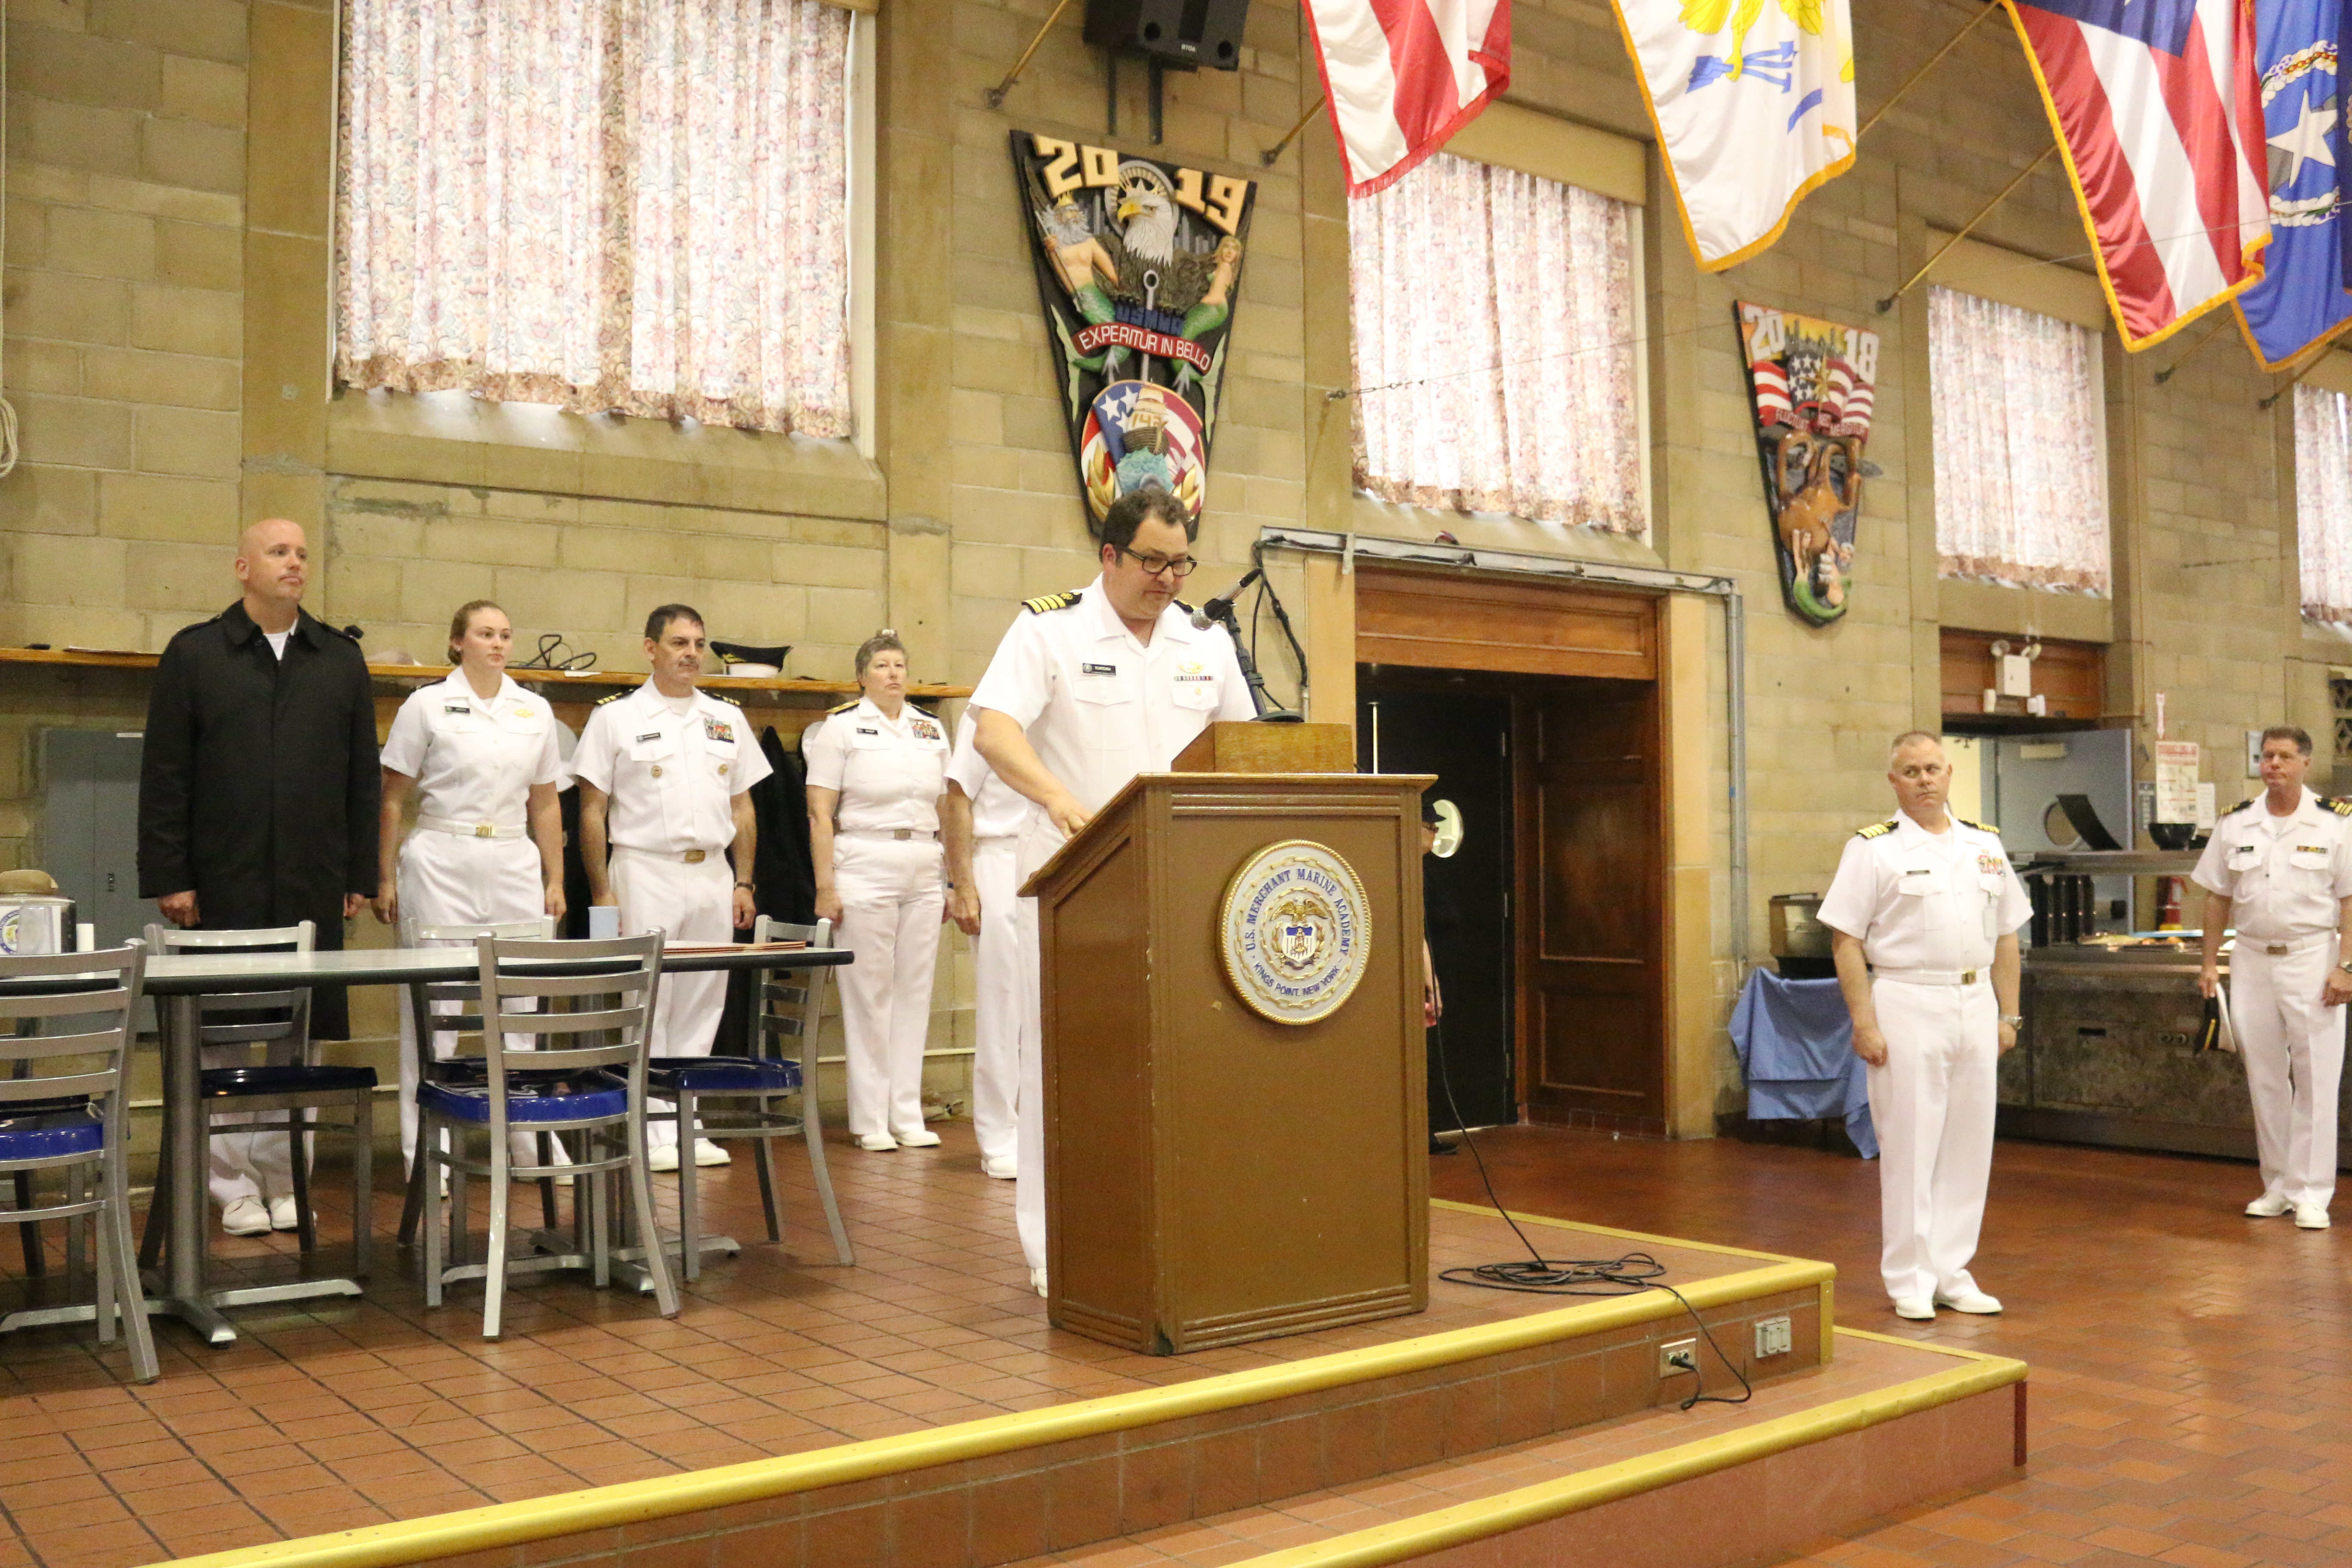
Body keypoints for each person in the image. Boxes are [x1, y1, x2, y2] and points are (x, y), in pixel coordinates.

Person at [969, 491, 1256, 1294]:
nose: (1167, 578)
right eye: (1152, 560)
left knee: (1184, 1062)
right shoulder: (1048, 629)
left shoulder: (1206, 640)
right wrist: (1058, 799)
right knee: (1066, 1066)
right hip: (1076, 878)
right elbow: (993, 729)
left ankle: (1181, 1230)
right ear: (1109, 555)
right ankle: (1054, 1249)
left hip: (1184, 884)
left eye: (1180, 562)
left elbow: (1244, 750)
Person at [137, 518, 381, 1237]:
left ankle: (285, 1181)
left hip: (311, 878)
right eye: (279, 552)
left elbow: (361, 780)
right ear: (243, 566)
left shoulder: (338, 659)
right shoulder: (195, 655)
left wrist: (359, 871)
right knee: (223, 1034)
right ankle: (232, 1184)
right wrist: (170, 873)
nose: (295, 563)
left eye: (303, 553)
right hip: (222, 876)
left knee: (295, 1039)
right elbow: (165, 775)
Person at [1817, 731, 2028, 1321]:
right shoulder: (1873, 848)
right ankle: (1909, 1276)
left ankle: (1952, 1270)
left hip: (1975, 1000)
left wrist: (2008, 1014)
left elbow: (2008, 934)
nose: (1925, 780)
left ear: (1949, 772)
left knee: (1968, 1144)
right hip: (1908, 1000)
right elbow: (1846, 940)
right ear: (1894, 782)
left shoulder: (1984, 844)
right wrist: (1865, 1022)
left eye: (1933, 768)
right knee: (1911, 1142)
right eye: (1911, 771)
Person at [570, 605, 770, 1170]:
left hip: (712, 871)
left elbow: (743, 806)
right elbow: (592, 810)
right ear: (650, 648)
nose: (691, 653)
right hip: (644, 869)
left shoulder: (726, 718)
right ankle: (652, 1126)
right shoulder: (616, 717)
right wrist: (602, 891)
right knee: (648, 1000)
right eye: (679, 642)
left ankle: (690, 1121)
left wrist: (745, 879)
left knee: (704, 1000)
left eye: (699, 643)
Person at [374, 600, 569, 1173]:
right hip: (441, 855)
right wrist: (383, 876)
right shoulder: (426, 704)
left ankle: (527, 1139)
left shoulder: (534, 710)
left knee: (521, 1002)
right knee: (436, 1009)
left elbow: (547, 800)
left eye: (506, 635)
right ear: (458, 642)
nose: (498, 644)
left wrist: (555, 878)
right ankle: (426, 1152)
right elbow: (392, 797)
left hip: (512, 857)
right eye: (485, 634)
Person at [802, 631, 956, 1152]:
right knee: (869, 993)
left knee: (915, 992)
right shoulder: (840, 729)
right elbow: (820, 813)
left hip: (922, 861)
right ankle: (870, 1118)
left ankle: (907, 1113)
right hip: (863, 862)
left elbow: (946, 809)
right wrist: (825, 884)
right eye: (882, 666)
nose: (893, 674)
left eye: (900, 665)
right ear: (862, 677)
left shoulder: (930, 729)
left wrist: (953, 879)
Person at [2193, 725, 2352, 1229]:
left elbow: (2351, 901)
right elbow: (2216, 896)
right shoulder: (2237, 823)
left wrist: (2347, 964)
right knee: (2264, 1076)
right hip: (2252, 958)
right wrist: (2207, 963)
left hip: (2312, 955)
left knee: (2315, 1078)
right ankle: (2278, 1184)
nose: (2273, 765)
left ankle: (2312, 1192)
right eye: (2266, 757)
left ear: (2306, 763)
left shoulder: (2336, 824)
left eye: (2284, 757)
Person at [943, 715, 1034, 1181]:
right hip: (1000, 856)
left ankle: (1043, 1130)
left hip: (1065, 851)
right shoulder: (984, 714)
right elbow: (956, 801)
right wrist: (963, 886)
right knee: (1004, 1008)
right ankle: (999, 1135)